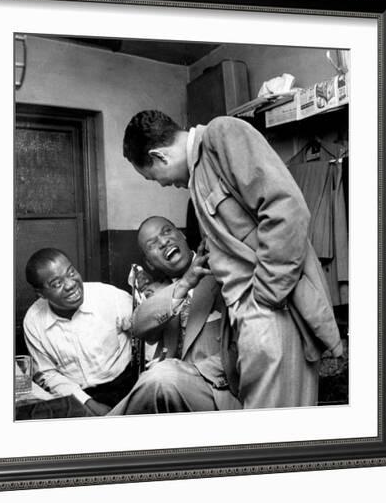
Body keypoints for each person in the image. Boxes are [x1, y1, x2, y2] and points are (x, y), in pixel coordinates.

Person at [122, 111, 343, 409]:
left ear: (159, 156)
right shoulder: (198, 180)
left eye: (152, 177)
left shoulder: (221, 135)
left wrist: (264, 299)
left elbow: (286, 209)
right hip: (251, 323)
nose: (160, 184)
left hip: (271, 308)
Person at [109, 216, 241, 415]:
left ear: (183, 235)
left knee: (161, 376)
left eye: (167, 231)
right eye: (152, 244)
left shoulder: (221, 271)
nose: (163, 242)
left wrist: (184, 371)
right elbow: (139, 326)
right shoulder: (162, 291)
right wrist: (184, 284)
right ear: (149, 263)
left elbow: (247, 345)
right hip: (172, 391)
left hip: (220, 391)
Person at [23, 248, 135, 416]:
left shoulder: (109, 296)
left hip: (127, 383)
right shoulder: (34, 321)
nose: (70, 284)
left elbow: (143, 330)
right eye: (57, 284)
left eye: (71, 272)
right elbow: (48, 374)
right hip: (77, 395)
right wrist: (88, 402)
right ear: (41, 294)